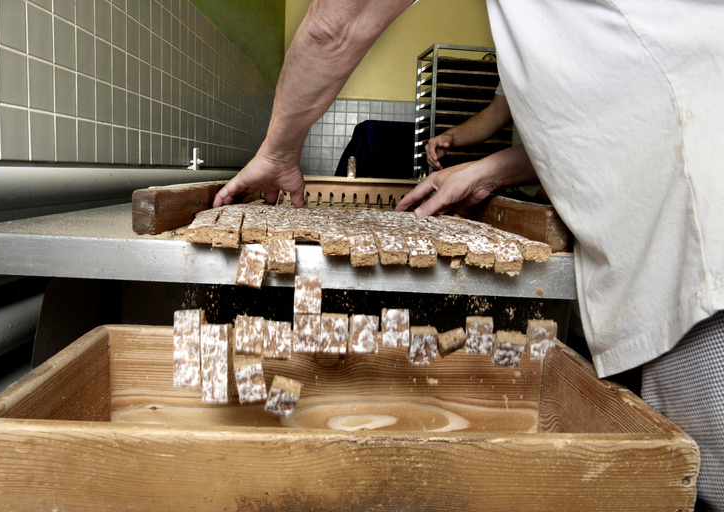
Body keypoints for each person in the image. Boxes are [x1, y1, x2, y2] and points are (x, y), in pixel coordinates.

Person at [214, 1, 724, 508]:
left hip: (699, 225)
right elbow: (613, 107)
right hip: (681, 199)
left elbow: (334, 25)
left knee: (700, 482)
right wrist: (486, 171)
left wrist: (278, 153)